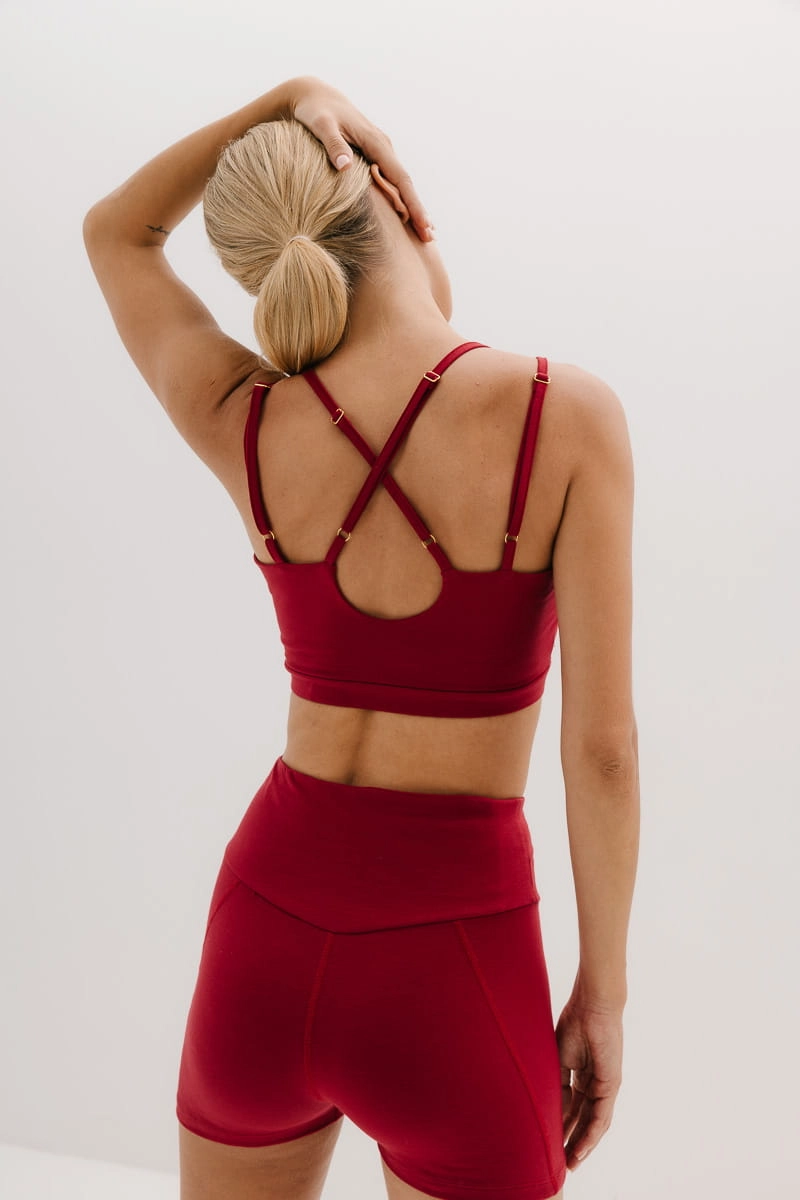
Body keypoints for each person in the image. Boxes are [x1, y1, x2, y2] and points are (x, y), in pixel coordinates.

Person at [83, 74, 639, 1200]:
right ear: (389, 188)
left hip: (262, 939)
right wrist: (602, 994)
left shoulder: (245, 419)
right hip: (455, 955)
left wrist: (279, 99)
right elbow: (602, 754)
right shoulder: (563, 415)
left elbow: (116, 233)